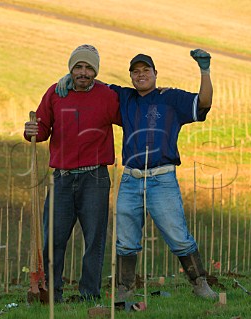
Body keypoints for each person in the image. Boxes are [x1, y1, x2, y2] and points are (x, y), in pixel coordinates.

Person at [56, 49, 217, 299]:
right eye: (136, 71)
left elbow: (204, 102)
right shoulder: (124, 97)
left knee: (178, 236)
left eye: (146, 71)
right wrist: (66, 77)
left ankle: (200, 283)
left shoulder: (172, 98)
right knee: (125, 239)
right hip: (131, 180)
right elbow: (90, 81)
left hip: (162, 179)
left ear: (155, 74)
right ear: (130, 76)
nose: (141, 75)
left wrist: (204, 70)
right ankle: (124, 289)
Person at [24, 44, 121, 302]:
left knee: (94, 239)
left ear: (96, 72)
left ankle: (89, 294)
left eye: (89, 68)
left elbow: (131, 117)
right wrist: (31, 130)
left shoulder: (107, 96)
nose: (83, 72)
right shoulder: (56, 93)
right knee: (53, 239)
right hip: (62, 178)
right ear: (71, 68)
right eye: (78, 66)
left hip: (95, 177)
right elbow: (42, 129)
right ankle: (51, 293)